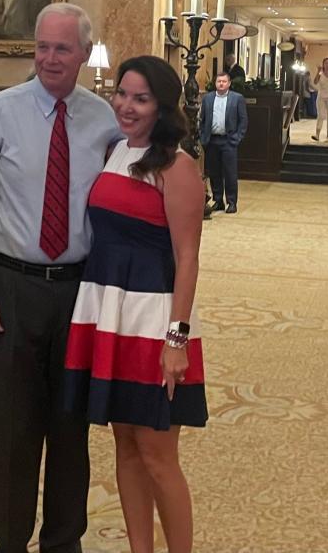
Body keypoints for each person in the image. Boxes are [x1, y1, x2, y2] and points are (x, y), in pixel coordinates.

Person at [0, 2, 122, 553]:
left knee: (70, 426)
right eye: (42, 47)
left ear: (83, 54)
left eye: (62, 49)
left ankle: (63, 541)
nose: (50, 59)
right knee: (10, 428)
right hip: (9, 289)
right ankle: (9, 540)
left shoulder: (105, 120)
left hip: (79, 292)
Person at [63, 55, 206, 553]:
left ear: (162, 107)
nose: (125, 105)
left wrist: (176, 339)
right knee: (124, 442)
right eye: (121, 93)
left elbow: (187, 258)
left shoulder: (179, 167)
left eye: (140, 98)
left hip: (153, 319)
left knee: (158, 453)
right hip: (108, 311)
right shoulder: (115, 151)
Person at [199, 70, 248, 214]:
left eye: (224, 81)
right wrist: (203, 137)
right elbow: (202, 119)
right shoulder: (207, 98)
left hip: (229, 141)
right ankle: (218, 200)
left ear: (229, 83)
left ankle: (232, 202)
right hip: (212, 140)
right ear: (215, 83)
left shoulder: (237, 98)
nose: (221, 84)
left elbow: (243, 121)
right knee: (214, 172)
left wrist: (237, 138)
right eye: (218, 81)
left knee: (230, 173)